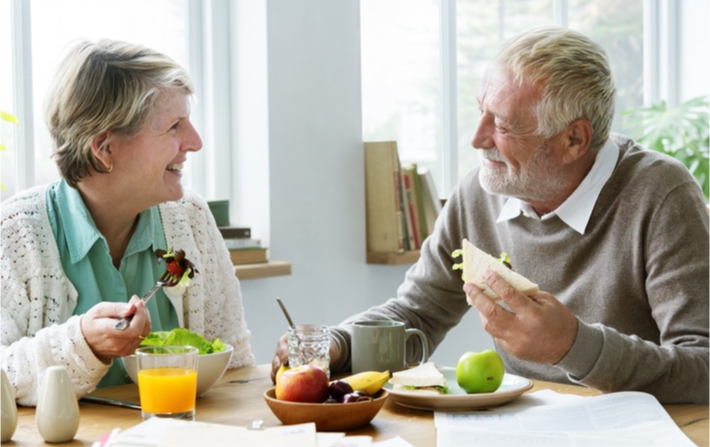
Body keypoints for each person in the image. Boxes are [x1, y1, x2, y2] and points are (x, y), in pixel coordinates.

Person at [271, 26, 709, 404]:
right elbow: (417, 313)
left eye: (501, 124)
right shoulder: (480, 191)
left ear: (574, 139)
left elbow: (703, 366)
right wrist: (337, 343)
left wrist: (573, 346)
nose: (478, 139)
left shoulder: (661, 194)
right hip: (519, 425)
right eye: (481, 111)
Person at [1, 39, 254, 406]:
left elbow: (235, 371)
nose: (195, 142)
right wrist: (83, 343)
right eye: (173, 126)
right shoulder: (14, 233)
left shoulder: (192, 219)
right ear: (105, 150)